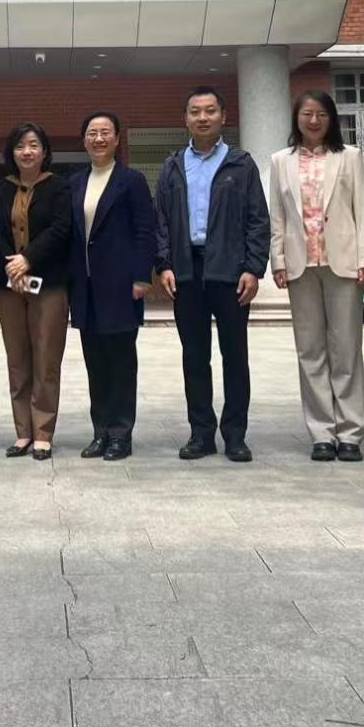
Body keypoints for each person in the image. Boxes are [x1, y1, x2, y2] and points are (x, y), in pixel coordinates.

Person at [156, 86, 269, 463]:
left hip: (230, 271)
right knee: (194, 356)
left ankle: (235, 435)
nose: (202, 117)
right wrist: (164, 264)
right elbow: (160, 221)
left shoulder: (241, 164)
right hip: (186, 272)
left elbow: (258, 219)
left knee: (235, 356)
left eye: (209, 111)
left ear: (223, 116)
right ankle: (201, 433)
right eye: (195, 111)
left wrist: (253, 268)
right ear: (185, 119)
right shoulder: (172, 166)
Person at [269, 90, 364, 462]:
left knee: (346, 350)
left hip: (343, 263)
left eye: (321, 114)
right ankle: (321, 434)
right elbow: (278, 216)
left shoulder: (349, 157)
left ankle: (350, 433)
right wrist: (278, 260)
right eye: (307, 114)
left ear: (331, 119)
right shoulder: (280, 161)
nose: (313, 121)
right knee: (310, 351)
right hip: (301, 267)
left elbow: (362, 210)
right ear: (296, 118)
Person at [68, 111, 155, 461]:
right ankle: (100, 431)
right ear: (84, 140)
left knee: (120, 362)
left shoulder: (131, 181)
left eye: (105, 132)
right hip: (85, 286)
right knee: (95, 363)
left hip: (120, 285)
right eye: (92, 133)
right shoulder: (75, 182)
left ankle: (121, 434)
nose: (99, 138)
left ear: (117, 139)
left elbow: (145, 230)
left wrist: (141, 276)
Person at [0, 123, 72, 461]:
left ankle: (43, 433)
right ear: (12, 152)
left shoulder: (59, 187)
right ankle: (23, 432)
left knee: (46, 359)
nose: (27, 151)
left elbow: (61, 229)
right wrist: (11, 265)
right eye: (20, 145)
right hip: (9, 286)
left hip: (48, 285)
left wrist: (28, 259)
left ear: (45, 151)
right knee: (18, 360)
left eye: (34, 145)